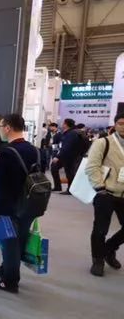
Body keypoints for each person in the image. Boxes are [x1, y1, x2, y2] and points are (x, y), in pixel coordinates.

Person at [0, 114, 40, 293]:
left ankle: (9, 281)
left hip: (7, 206)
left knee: (8, 245)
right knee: (19, 241)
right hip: (28, 205)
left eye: (1, 127)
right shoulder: (34, 150)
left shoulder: (7, 153)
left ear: (8, 128)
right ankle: (6, 273)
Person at [86, 112, 124, 277]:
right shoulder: (103, 142)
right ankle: (98, 260)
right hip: (105, 193)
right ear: (115, 124)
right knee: (100, 229)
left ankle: (108, 249)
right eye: (121, 123)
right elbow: (92, 166)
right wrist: (99, 187)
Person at [51, 118, 83, 194]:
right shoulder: (67, 133)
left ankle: (70, 190)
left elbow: (66, 146)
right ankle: (58, 186)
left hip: (69, 156)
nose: (62, 124)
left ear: (66, 124)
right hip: (65, 155)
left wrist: (57, 156)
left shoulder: (71, 134)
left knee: (69, 173)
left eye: (63, 123)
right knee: (54, 167)